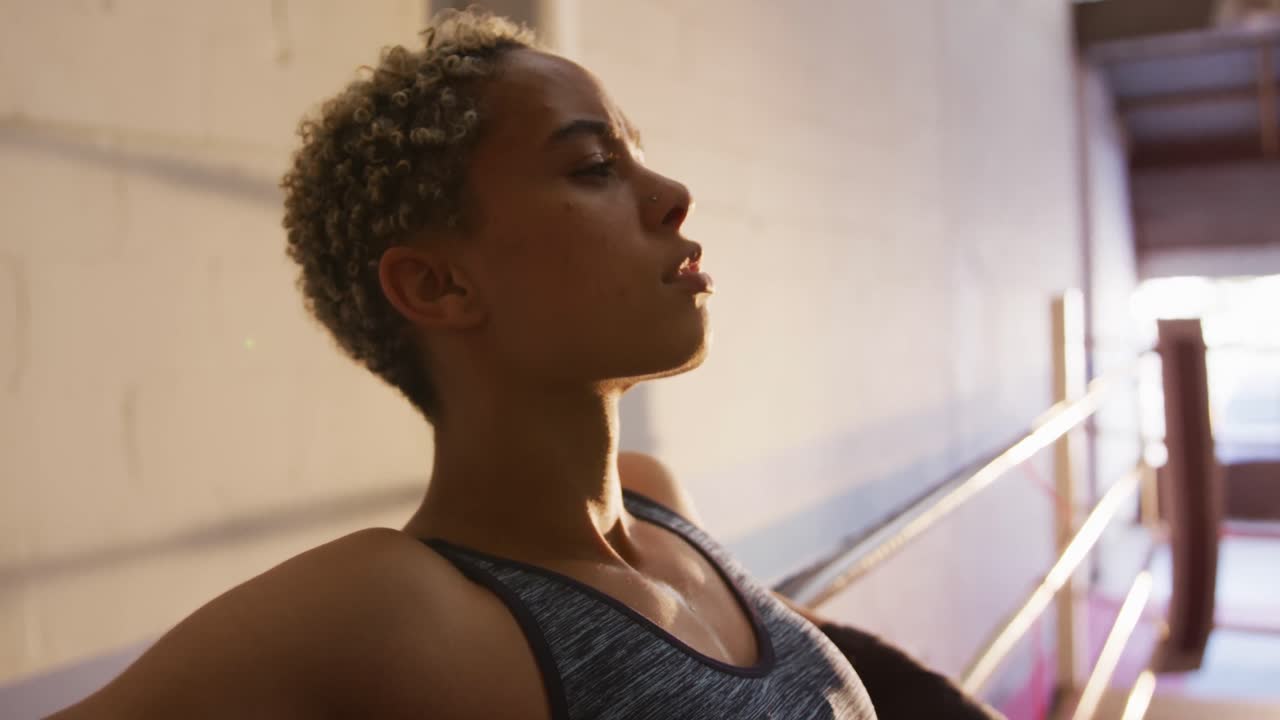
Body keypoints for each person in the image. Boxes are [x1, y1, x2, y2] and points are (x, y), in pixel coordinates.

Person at [50, 9, 1000, 719]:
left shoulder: (655, 501)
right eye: (594, 168)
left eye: (636, 157)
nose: (672, 196)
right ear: (437, 286)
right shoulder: (396, 607)